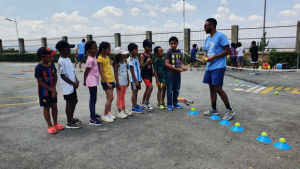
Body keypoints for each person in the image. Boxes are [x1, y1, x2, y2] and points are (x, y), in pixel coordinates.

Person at [201, 18, 235, 120]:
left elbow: (227, 50)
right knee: (211, 88)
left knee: (217, 88)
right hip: (209, 67)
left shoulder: (220, 36)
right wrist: (204, 57)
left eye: (205, 25)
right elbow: (206, 52)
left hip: (219, 66)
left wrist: (214, 57)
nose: (204, 27)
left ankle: (230, 110)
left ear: (211, 26)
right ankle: (214, 109)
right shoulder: (207, 39)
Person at [35, 47, 65, 134]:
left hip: (52, 90)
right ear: (43, 58)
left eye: (52, 56)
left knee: (54, 106)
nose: (52, 58)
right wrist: (51, 90)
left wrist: (53, 88)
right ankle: (49, 125)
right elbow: (40, 82)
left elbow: (55, 76)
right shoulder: (38, 68)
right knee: (46, 107)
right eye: (50, 56)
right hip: (44, 92)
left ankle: (55, 123)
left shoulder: (51, 64)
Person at [56, 40, 81, 128]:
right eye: (68, 48)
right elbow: (62, 75)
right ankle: (69, 122)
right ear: (62, 50)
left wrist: (76, 80)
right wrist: (73, 83)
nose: (70, 50)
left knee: (75, 100)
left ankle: (71, 117)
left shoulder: (68, 59)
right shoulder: (61, 61)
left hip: (72, 84)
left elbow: (72, 72)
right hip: (67, 86)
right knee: (69, 102)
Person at [83, 40, 103, 126]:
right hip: (91, 81)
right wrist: (84, 81)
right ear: (89, 50)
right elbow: (86, 71)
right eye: (94, 48)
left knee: (94, 99)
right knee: (92, 99)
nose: (96, 49)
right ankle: (92, 118)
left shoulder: (94, 57)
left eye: (96, 47)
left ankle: (93, 114)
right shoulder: (90, 60)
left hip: (94, 80)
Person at [165, 36, 188, 111]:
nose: (173, 45)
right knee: (170, 90)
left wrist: (182, 67)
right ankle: (169, 104)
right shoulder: (169, 52)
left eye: (174, 43)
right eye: (171, 44)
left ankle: (175, 103)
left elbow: (179, 61)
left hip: (177, 74)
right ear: (169, 44)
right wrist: (175, 68)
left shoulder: (178, 52)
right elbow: (167, 63)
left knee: (176, 89)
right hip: (170, 73)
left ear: (177, 44)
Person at [97, 41, 116, 123]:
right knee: (111, 98)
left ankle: (109, 112)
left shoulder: (107, 57)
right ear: (103, 49)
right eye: (108, 49)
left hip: (111, 79)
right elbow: (101, 72)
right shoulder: (100, 59)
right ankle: (104, 115)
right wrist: (107, 82)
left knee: (109, 98)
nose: (109, 51)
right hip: (106, 81)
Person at [113, 47, 132, 118]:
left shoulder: (125, 61)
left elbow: (126, 71)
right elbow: (115, 74)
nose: (125, 55)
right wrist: (117, 83)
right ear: (118, 55)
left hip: (124, 82)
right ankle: (119, 111)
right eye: (123, 54)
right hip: (120, 82)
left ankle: (124, 109)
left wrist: (128, 80)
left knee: (123, 96)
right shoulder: (116, 63)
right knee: (119, 96)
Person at [128, 43, 144, 114]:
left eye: (137, 50)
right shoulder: (130, 59)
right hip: (134, 79)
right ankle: (134, 107)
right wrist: (136, 80)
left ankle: (135, 104)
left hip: (138, 78)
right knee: (134, 92)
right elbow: (131, 70)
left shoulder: (136, 57)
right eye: (135, 50)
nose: (137, 51)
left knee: (136, 91)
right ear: (131, 51)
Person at [140, 39, 154, 111]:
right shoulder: (142, 56)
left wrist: (152, 71)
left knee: (147, 88)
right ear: (144, 47)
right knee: (150, 87)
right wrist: (146, 62)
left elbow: (151, 64)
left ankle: (143, 101)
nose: (150, 48)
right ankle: (146, 102)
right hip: (145, 74)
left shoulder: (150, 54)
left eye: (151, 46)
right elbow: (141, 67)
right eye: (148, 46)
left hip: (149, 73)